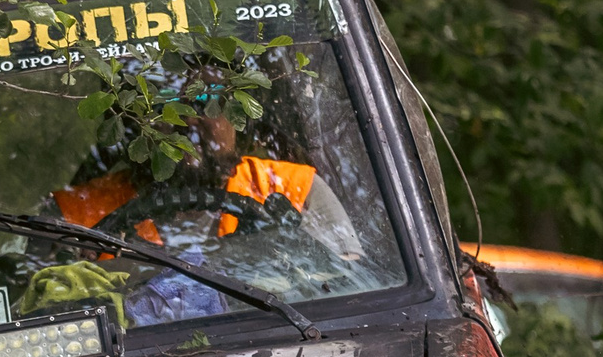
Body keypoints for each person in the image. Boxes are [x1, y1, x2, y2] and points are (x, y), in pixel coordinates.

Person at [43, 111, 366, 325]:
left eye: (206, 101)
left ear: (239, 121)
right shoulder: (77, 210)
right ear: (134, 126)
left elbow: (352, 287)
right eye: (164, 104)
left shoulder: (294, 186)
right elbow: (43, 309)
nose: (188, 119)